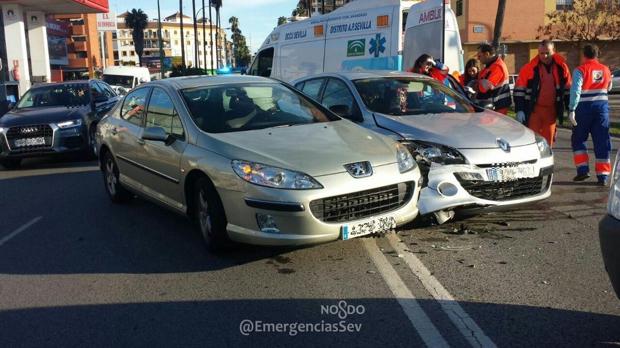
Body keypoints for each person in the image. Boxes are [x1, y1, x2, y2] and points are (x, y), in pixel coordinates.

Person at [513, 40, 571, 147]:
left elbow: (567, 89)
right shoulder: (529, 68)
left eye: (547, 53)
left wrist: (569, 109)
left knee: (548, 142)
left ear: (553, 51)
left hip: (551, 111)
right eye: (541, 53)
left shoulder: (561, 68)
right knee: (532, 141)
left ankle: (546, 162)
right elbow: (519, 90)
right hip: (534, 110)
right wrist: (520, 109)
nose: (544, 56)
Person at [569, 44, 613, 185]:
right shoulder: (606, 70)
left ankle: (583, 170)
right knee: (602, 141)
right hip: (601, 110)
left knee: (579, 139)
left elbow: (576, 91)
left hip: (583, 110)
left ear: (584, 55)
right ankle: (603, 176)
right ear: (597, 54)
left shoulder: (580, 70)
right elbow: (609, 86)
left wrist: (572, 109)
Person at [475, 44, 512, 114]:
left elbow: (484, 88)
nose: (478, 58)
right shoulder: (490, 66)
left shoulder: (497, 66)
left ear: (487, 54)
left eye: (479, 56)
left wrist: (476, 84)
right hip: (491, 107)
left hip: (497, 108)